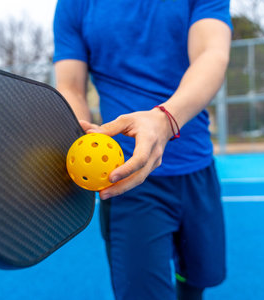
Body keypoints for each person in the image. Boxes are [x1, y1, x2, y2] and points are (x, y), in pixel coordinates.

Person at [53, 1, 232, 299]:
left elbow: (211, 54)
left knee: (196, 281)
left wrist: (165, 119)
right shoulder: (74, 5)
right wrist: (78, 136)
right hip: (126, 182)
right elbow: (70, 86)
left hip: (198, 168)